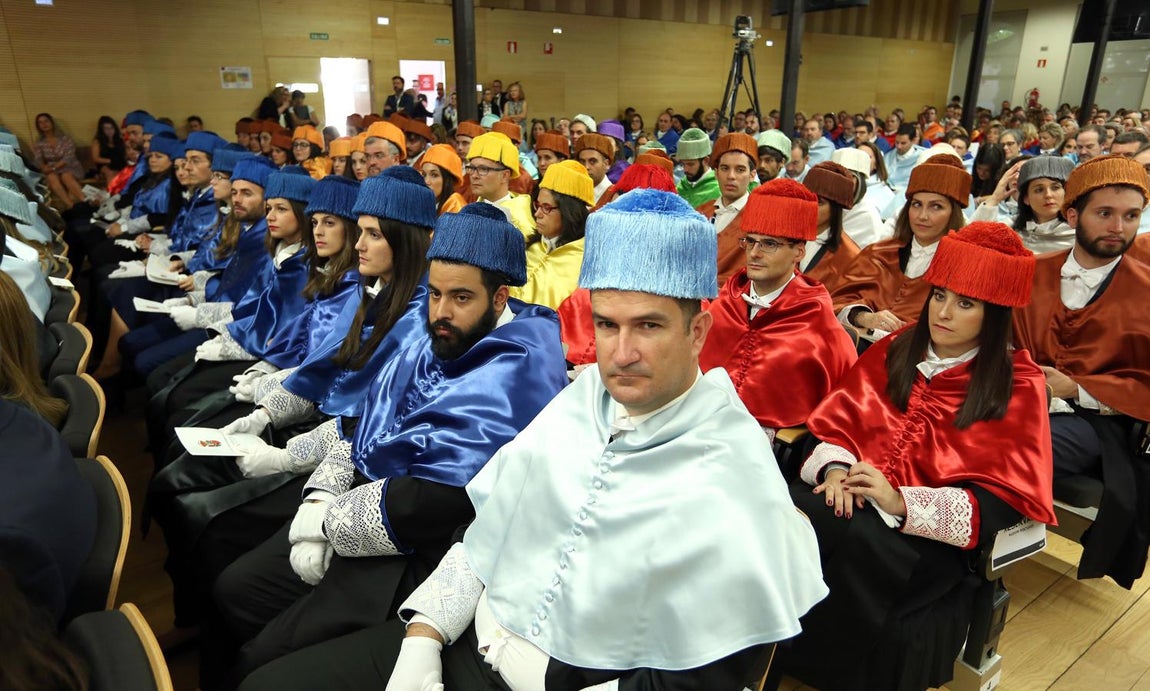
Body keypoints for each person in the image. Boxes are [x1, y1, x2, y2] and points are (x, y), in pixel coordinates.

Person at [239, 188, 826, 691]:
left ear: (698, 331)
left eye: (648, 326)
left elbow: (701, 675)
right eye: (605, 324)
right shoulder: (581, 400)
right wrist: (424, 635)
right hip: (463, 643)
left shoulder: (731, 470)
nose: (620, 355)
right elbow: (491, 525)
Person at [210, 203, 568, 684]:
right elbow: (370, 418)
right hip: (354, 503)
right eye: (436, 294)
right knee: (233, 588)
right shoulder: (436, 333)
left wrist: (329, 522)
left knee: (262, 666)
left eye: (461, 298)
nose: (441, 312)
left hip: (410, 554)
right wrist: (318, 495)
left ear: (500, 297)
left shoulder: (516, 372)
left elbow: (438, 497)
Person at [784, 221, 1056, 691]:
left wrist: (900, 502)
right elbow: (837, 424)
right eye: (940, 296)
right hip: (848, 495)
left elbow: (1000, 501)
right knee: (786, 514)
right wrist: (834, 469)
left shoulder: (1016, 385)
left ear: (994, 315)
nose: (944, 312)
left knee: (843, 537)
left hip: (921, 540)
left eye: (965, 303)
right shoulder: (895, 347)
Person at [1012, 154, 1150, 589]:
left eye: (1131, 216)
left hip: (1099, 421)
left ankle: (970, 543)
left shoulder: (1146, 291)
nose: (1118, 227)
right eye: (1105, 213)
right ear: (1073, 215)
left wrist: (1075, 387)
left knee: (1016, 444)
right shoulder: (1031, 272)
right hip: (1016, 394)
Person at [700, 179, 857, 435]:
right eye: (750, 241)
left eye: (769, 244)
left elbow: (842, 417)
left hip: (764, 447)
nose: (754, 253)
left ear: (798, 252)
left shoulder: (820, 327)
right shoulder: (724, 305)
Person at [832, 154, 970, 341]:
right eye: (916, 204)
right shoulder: (878, 253)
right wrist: (864, 317)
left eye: (936, 207)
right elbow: (837, 301)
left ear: (953, 214)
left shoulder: (962, 266)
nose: (922, 215)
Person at [509, 160, 592, 310]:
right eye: (537, 205)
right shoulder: (527, 246)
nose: (537, 214)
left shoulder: (584, 261)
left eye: (546, 208)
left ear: (569, 213)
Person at [971, 155, 1075, 254]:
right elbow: (972, 241)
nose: (1048, 195)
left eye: (1055, 188)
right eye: (1039, 190)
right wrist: (994, 199)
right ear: (1026, 198)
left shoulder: (1077, 232)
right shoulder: (1011, 227)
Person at [693, 132, 759, 285]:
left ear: (752, 175)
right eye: (724, 168)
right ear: (716, 173)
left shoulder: (761, 216)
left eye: (740, 170)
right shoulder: (700, 212)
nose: (731, 176)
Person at [801, 161, 862, 291]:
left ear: (835, 208)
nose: (810, 206)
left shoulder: (850, 256)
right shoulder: (784, 237)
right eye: (806, 199)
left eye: (820, 202)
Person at [465, 131, 534, 237]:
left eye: (483, 169)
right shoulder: (469, 212)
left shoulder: (519, 223)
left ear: (505, 175)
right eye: (472, 168)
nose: (474, 175)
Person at [31, 113, 86, 210]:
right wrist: (44, 167)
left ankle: (85, 200)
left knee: (66, 175)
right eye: (40, 123)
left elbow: (69, 157)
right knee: (51, 177)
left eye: (46, 121)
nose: (44, 124)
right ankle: (70, 206)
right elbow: (38, 159)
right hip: (53, 169)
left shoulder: (65, 139)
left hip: (70, 166)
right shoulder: (40, 142)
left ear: (52, 123)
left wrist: (54, 167)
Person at [416, 144, 466, 214]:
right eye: (424, 175)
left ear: (447, 180)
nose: (426, 181)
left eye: (434, 175)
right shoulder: (423, 202)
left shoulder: (456, 206)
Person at [676, 127, 719, 207]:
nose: (685, 169)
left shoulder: (718, 190)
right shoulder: (680, 187)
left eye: (690, 164)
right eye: (683, 164)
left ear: (706, 161)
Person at [90, 115, 127, 184]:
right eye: (106, 129)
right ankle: (112, 193)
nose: (109, 131)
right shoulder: (97, 141)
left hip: (120, 163)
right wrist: (110, 161)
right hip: (105, 164)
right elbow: (96, 158)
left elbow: (125, 154)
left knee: (123, 173)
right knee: (110, 172)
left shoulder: (119, 140)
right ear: (102, 130)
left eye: (111, 128)